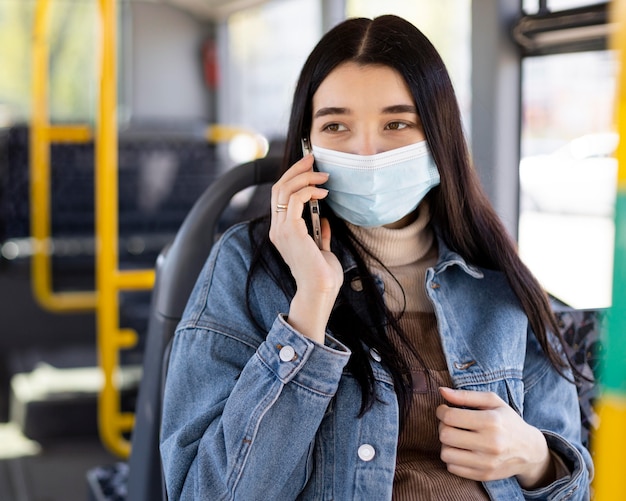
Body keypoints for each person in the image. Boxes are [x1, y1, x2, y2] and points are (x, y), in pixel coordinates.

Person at [160, 15, 592, 501]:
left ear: (438, 136)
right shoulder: (245, 267)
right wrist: (310, 307)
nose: (366, 151)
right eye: (336, 126)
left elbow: (575, 487)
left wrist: (535, 458)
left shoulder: (498, 279)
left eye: (396, 123)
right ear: (307, 146)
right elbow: (207, 493)